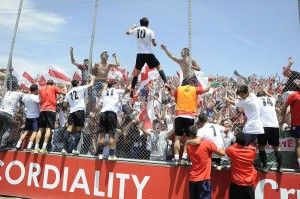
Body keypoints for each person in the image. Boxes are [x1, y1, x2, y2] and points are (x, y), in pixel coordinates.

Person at [126, 17, 171, 97]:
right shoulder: (150, 31)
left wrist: (133, 26)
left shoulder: (136, 30)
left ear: (140, 23)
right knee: (159, 67)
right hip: (148, 53)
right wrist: (155, 43)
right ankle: (165, 82)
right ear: (148, 24)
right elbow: (154, 43)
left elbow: (127, 32)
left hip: (140, 54)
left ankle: (132, 88)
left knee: (136, 72)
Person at [173, 77, 212, 165]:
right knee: (188, 138)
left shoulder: (178, 89)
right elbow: (207, 89)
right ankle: (184, 158)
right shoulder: (194, 89)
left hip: (179, 115)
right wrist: (210, 81)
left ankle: (176, 158)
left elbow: (176, 100)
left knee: (177, 138)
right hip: (190, 116)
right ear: (193, 84)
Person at [187, 125, 225, 199]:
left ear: (190, 136)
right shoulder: (207, 143)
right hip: (203, 179)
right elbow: (222, 153)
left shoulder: (188, 146)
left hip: (192, 178)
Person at [61, 75, 95, 156]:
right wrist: (93, 79)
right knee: (78, 129)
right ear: (78, 83)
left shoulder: (68, 92)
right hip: (80, 110)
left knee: (69, 129)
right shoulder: (80, 88)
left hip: (72, 111)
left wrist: (71, 105)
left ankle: (64, 148)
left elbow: (64, 105)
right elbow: (90, 85)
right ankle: (75, 149)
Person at [33, 80, 67, 155]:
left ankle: (36, 147)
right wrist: (64, 86)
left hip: (42, 110)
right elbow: (65, 93)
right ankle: (44, 148)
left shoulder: (41, 89)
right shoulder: (53, 87)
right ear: (53, 83)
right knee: (49, 129)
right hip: (50, 109)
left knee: (41, 129)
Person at [256, 89, 283, 173]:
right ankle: (280, 167)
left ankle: (265, 166)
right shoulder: (272, 99)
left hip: (264, 125)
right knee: (276, 147)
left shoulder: (257, 100)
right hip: (275, 125)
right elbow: (271, 96)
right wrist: (266, 92)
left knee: (261, 146)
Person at [98, 79, 124, 160]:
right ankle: (111, 155)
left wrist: (107, 84)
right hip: (111, 113)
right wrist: (130, 83)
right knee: (111, 135)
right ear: (113, 85)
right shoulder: (117, 91)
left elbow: (104, 89)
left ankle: (100, 154)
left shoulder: (103, 93)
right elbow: (127, 90)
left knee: (102, 135)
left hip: (103, 113)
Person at [226, 131, 257, 199]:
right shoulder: (252, 150)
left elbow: (227, 152)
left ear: (236, 140)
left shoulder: (231, 149)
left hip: (236, 183)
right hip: (249, 183)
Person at [280, 81, 300, 171]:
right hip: (297, 124)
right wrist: (283, 119)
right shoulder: (294, 95)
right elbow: (284, 107)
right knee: (298, 143)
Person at [14, 85, 40, 151]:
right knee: (35, 132)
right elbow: (40, 101)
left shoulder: (25, 96)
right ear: (36, 90)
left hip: (28, 116)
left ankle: (18, 145)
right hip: (35, 117)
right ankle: (29, 146)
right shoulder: (35, 97)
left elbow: (23, 99)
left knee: (26, 131)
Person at [0, 86, 23, 151]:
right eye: (21, 90)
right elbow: (24, 96)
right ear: (19, 90)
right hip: (9, 114)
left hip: (1, 111)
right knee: (8, 130)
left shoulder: (7, 92)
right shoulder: (18, 93)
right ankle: (2, 145)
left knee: (1, 129)